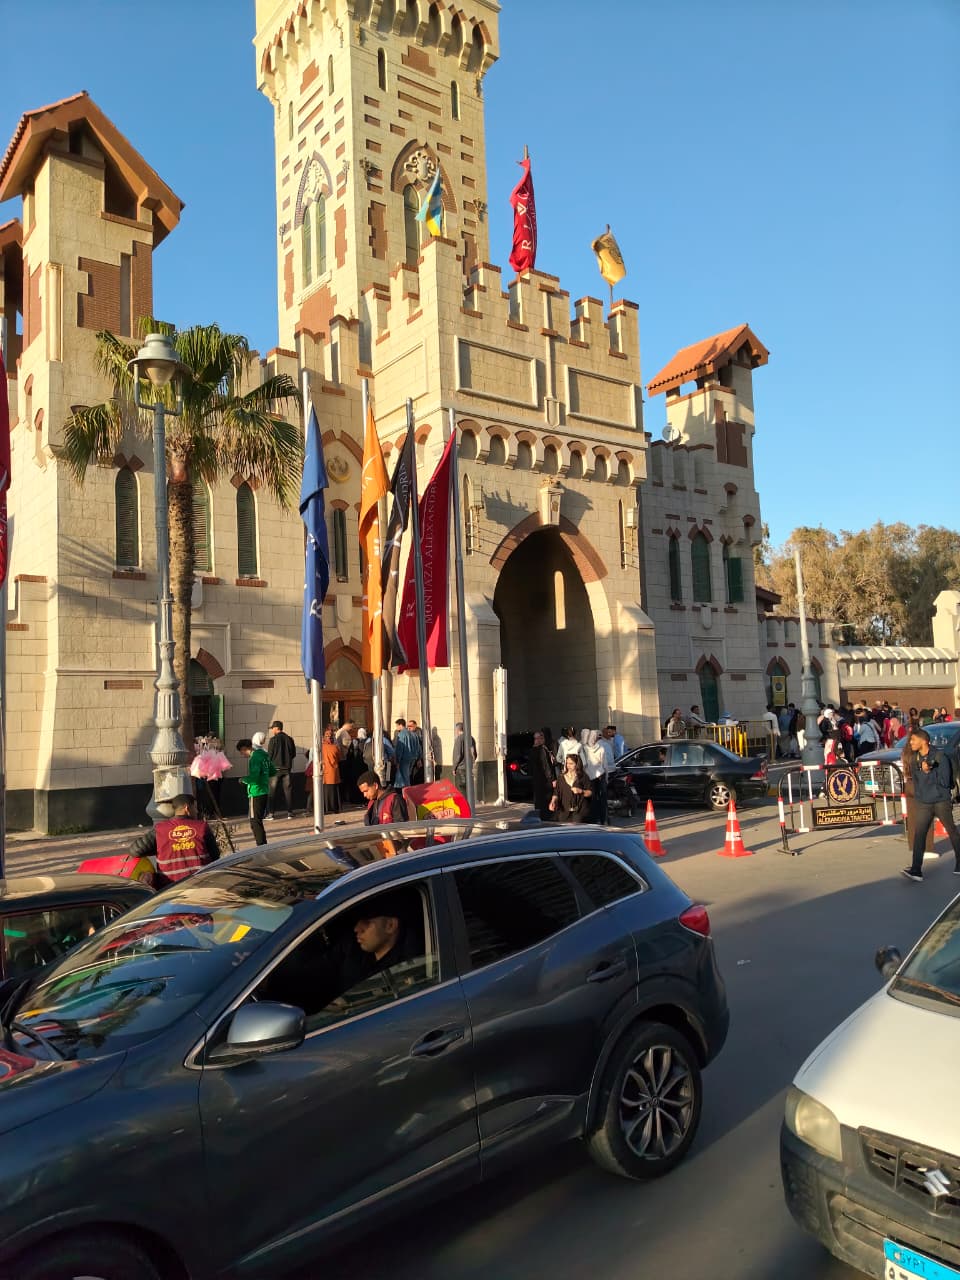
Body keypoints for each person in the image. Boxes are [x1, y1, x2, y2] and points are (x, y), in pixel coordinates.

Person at [901, 728, 960, 881]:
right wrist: (919, 796)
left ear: (924, 741)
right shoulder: (914, 759)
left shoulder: (940, 757)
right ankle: (916, 870)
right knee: (919, 834)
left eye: (913, 740)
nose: (911, 743)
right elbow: (917, 781)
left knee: (952, 831)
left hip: (941, 802)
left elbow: (945, 781)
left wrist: (929, 772)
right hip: (924, 803)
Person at [129, 794, 219, 886]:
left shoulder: (160, 830)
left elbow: (135, 851)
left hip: (170, 888)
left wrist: (162, 848)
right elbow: (215, 857)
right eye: (195, 807)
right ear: (187, 808)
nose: (197, 811)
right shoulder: (202, 827)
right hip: (201, 884)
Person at [237, 734, 275, 846]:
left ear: (245, 748)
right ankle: (263, 844)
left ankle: (261, 845)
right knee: (258, 820)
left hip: (256, 791)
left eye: (241, 752)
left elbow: (254, 777)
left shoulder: (254, 758)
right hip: (264, 790)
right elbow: (272, 771)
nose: (242, 754)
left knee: (254, 821)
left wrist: (243, 780)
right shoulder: (264, 755)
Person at [266, 720, 296, 820]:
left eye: (273, 728)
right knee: (288, 791)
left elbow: (269, 755)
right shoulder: (289, 739)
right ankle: (290, 813)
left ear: (276, 728)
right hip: (287, 769)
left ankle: (271, 814)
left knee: (272, 792)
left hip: (275, 769)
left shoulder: (273, 740)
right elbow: (293, 754)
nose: (272, 730)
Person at [554, 752, 592, 823]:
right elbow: (556, 793)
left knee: (576, 828)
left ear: (577, 764)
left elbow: (590, 792)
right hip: (564, 812)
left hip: (579, 812)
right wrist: (553, 801)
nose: (568, 765)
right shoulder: (561, 777)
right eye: (567, 763)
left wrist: (581, 791)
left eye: (571, 763)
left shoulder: (583, 777)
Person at [528, 729, 556, 821]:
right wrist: (552, 779)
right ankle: (547, 818)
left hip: (537, 780)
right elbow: (546, 766)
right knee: (546, 800)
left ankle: (540, 816)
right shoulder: (542, 750)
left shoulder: (533, 750)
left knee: (539, 800)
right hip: (545, 781)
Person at [580, 729, 607, 823]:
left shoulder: (584, 748)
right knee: (602, 799)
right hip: (600, 776)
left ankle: (593, 818)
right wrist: (606, 776)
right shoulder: (601, 748)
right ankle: (603, 819)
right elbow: (605, 765)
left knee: (592, 798)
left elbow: (583, 764)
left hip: (588, 777)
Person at [392, 718, 420, 788]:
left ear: (400, 725)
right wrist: (418, 758)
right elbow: (418, 747)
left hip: (404, 759)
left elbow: (400, 748)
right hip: (413, 758)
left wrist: (397, 760)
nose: (396, 728)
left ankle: (406, 792)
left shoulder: (401, 734)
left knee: (405, 778)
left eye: (397, 726)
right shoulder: (414, 734)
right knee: (408, 776)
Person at [321, 727, 342, 815]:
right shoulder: (334, 747)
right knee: (333, 791)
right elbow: (339, 758)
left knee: (326, 791)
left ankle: (326, 808)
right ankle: (334, 808)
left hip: (325, 772)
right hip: (333, 772)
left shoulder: (321, 747)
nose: (329, 737)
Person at [452, 722, 477, 792]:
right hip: (470, 768)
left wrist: (454, 768)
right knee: (469, 789)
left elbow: (458, 755)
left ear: (457, 730)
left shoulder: (459, 739)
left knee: (461, 790)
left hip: (461, 769)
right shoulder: (471, 738)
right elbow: (475, 754)